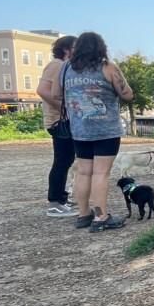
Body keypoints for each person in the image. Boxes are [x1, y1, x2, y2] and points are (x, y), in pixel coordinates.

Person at [58, 31, 134, 232]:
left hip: (79, 129)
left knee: (84, 172)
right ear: (101, 47)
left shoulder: (66, 68)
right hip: (105, 129)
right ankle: (101, 216)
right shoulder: (108, 67)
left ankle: (83, 214)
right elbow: (127, 94)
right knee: (101, 173)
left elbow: (57, 94)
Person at [37, 34, 78, 217]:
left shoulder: (63, 66)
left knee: (66, 160)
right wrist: (64, 108)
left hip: (61, 120)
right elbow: (42, 90)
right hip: (58, 121)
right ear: (66, 49)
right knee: (62, 161)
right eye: (76, 47)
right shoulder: (57, 65)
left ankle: (61, 198)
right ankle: (55, 202)